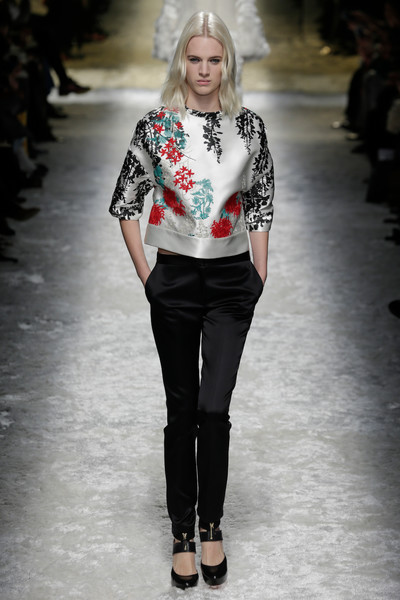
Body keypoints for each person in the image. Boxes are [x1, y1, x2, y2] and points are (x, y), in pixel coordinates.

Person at [109, 11, 274, 589]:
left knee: (213, 408)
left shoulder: (249, 127)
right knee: (181, 409)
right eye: (195, 58)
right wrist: (148, 276)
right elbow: (125, 202)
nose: (204, 70)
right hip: (175, 279)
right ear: (181, 60)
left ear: (228, 63)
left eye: (214, 59)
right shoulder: (155, 126)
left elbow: (261, 200)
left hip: (231, 282)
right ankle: (182, 531)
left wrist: (258, 273)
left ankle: (212, 525)